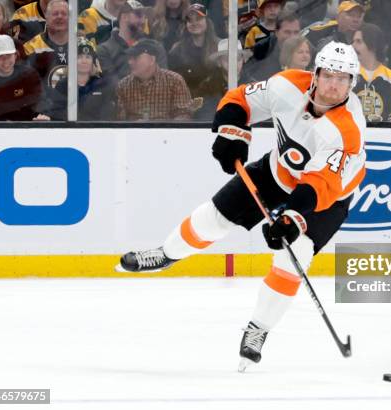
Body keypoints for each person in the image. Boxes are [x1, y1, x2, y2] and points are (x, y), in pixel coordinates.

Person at [117, 41, 367, 371]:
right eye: (329, 75)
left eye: (344, 78)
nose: (334, 85)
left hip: (327, 198)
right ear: (316, 74)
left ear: (353, 83)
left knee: (295, 257)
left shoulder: (347, 129)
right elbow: (241, 99)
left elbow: (320, 184)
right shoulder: (287, 85)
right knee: (212, 219)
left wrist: (290, 220)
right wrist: (232, 134)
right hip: (278, 172)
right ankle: (166, 254)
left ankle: (257, 330)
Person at [116, 38, 202, 120]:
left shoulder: (175, 81)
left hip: (167, 134)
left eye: (135, 58)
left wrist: (161, 127)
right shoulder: (123, 86)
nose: (130, 62)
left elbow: (184, 115)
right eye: (130, 58)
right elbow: (119, 119)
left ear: (152, 60)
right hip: (133, 133)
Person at [0, 34, 49, 121]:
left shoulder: (29, 75)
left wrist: (41, 115)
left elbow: (40, 100)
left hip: (25, 127)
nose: (5, 61)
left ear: (15, 55)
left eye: (8, 56)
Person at [97, 3, 167, 85]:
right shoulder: (104, 50)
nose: (143, 21)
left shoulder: (155, 46)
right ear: (124, 17)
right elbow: (112, 86)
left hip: (153, 96)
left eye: (145, 17)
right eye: (139, 16)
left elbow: (163, 81)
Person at [48, 38, 115, 120]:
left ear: (93, 61)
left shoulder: (101, 85)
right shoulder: (62, 85)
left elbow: (108, 116)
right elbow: (55, 114)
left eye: (88, 57)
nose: (84, 61)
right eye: (79, 57)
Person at [352, 23, 391, 122]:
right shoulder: (347, 75)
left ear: (372, 45)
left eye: (358, 41)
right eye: (353, 41)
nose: (353, 45)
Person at [167, 3, 218, 98]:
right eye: (190, 20)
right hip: (189, 100)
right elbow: (173, 83)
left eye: (198, 19)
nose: (194, 23)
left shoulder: (220, 46)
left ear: (207, 21)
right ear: (186, 24)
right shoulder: (177, 50)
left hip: (216, 98)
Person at [195, 38, 250, 120]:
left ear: (243, 60)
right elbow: (205, 116)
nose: (233, 63)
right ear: (219, 63)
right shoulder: (207, 87)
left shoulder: (252, 85)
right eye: (227, 59)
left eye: (238, 59)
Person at [240, 12, 300, 82]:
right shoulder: (261, 50)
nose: (292, 37)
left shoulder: (306, 47)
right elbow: (249, 78)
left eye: (296, 32)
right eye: (287, 32)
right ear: (276, 32)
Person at [23, 0, 68, 93]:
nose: (60, 17)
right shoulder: (30, 48)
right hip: (45, 105)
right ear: (46, 17)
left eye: (64, 14)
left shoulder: (83, 45)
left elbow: (96, 80)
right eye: (55, 14)